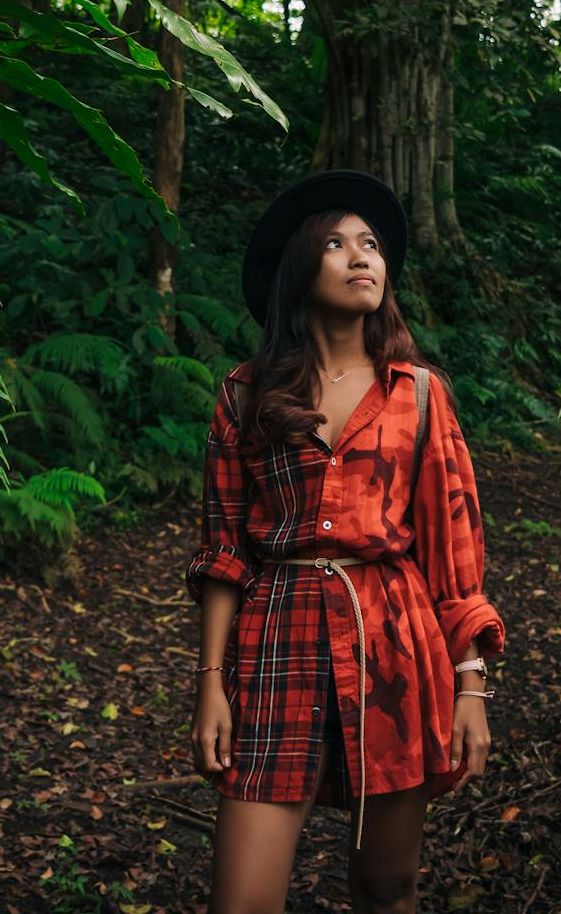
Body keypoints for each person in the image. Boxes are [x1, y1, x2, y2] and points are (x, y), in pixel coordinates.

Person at [184, 169, 506, 914]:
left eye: (371, 244)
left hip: (395, 645)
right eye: (336, 242)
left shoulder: (419, 394)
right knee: (242, 901)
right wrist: (209, 683)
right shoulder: (245, 393)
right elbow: (223, 550)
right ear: (300, 266)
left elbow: (453, 558)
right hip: (274, 645)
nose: (362, 256)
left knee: (386, 888)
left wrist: (471, 689)